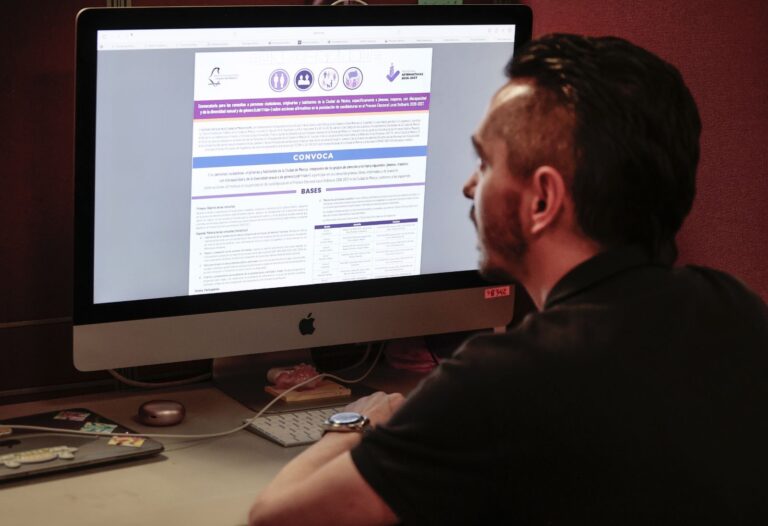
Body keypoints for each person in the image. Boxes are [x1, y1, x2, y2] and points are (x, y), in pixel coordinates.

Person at [248, 34, 768, 525]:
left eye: (486, 162)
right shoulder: (736, 310)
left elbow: (279, 515)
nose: (469, 186)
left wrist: (355, 424)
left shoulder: (502, 380)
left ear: (542, 201)